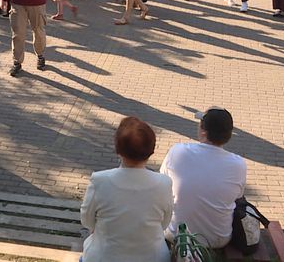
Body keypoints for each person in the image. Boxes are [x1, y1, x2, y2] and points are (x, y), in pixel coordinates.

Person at [80, 116, 173, 262]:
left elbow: (87, 221)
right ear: (151, 150)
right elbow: (164, 223)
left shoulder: (99, 180)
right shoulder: (164, 183)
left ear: (118, 149)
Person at [161, 108, 246, 249]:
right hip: (218, 239)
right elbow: (238, 196)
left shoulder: (178, 151)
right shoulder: (238, 164)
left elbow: (163, 184)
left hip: (176, 234)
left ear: (203, 131)